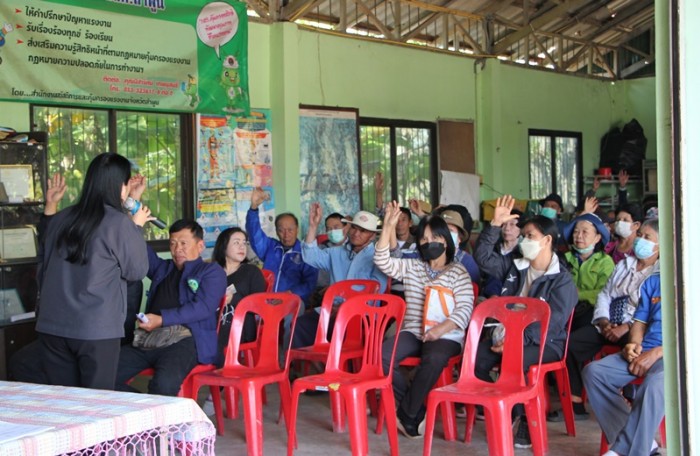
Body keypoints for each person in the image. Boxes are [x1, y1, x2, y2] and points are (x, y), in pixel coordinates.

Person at [36, 154, 150, 390]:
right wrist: (136, 226)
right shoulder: (119, 223)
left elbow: (43, 268)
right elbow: (136, 270)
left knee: (64, 401)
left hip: (52, 325)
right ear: (121, 186)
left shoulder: (60, 218)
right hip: (96, 328)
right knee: (96, 402)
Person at [473, 195, 578, 449]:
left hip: (546, 343)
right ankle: (505, 409)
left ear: (547, 240)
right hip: (507, 337)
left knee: (515, 360)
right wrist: (494, 225)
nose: (524, 241)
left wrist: (515, 341)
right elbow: (483, 258)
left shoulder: (561, 280)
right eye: (524, 236)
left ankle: (524, 419)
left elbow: (552, 323)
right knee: (475, 359)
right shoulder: (516, 267)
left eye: (530, 236)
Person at [376, 202, 473, 438]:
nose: (429, 242)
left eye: (435, 237)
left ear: (446, 241)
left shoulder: (458, 271)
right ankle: (414, 407)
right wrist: (387, 227)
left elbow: (465, 309)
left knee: (434, 358)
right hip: (413, 330)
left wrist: (440, 330)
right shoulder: (413, 267)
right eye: (423, 239)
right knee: (382, 356)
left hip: (445, 334)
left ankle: (407, 414)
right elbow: (382, 261)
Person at [552, 218, 660, 421]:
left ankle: (628, 401)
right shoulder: (624, 264)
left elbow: (648, 311)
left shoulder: (659, 274)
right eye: (640, 235)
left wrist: (625, 327)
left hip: (634, 329)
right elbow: (605, 294)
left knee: (632, 351)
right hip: (608, 322)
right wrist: (604, 321)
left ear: (659, 245)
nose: (641, 240)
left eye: (648, 237)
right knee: (571, 345)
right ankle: (576, 403)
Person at [115, 218, 226, 396]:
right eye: (173, 243)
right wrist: (136, 225)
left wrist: (162, 319)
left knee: (164, 385)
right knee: (102, 376)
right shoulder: (163, 268)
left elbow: (203, 307)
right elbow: (141, 250)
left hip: (187, 341)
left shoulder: (211, 272)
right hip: (150, 338)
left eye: (183, 243)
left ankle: (154, 408)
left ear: (200, 246)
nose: (177, 249)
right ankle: (144, 407)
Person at [583, 271, 664, 456]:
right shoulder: (654, 281)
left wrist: (658, 352)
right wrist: (633, 344)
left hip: (677, 355)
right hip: (645, 349)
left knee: (654, 384)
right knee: (594, 373)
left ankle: (625, 451)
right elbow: (639, 322)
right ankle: (644, 443)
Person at [293, 204, 387, 348]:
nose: (356, 233)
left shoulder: (379, 257)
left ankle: (337, 362)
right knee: (301, 325)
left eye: (363, 231)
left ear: (373, 235)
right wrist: (313, 226)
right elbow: (310, 256)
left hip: (362, 314)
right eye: (354, 227)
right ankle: (311, 362)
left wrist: (346, 307)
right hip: (332, 310)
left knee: (339, 332)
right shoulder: (336, 252)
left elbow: (376, 291)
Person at [245, 187, 318, 307]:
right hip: (266, 302)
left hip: (292, 303)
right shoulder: (271, 247)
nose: (286, 234)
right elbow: (254, 234)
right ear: (276, 231)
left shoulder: (305, 252)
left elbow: (310, 283)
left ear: (297, 229)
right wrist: (253, 208)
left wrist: (290, 294)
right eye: (281, 230)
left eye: (290, 230)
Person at [212, 227, 267, 366]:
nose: (242, 247)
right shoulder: (211, 272)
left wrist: (233, 299)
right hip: (212, 322)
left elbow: (260, 305)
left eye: (244, 243)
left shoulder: (251, 272)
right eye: (236, 242)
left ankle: (221, 371)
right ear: (223, 246)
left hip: (240, 326)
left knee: (216, 335)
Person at [562, 212, 615, 331]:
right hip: (565, 309)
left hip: (592, 312)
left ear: (597, 238)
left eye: (585, 232)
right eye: (576, 232)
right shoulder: (564, 258)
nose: (579, 236)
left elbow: (604, 292)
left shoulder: (605, 262)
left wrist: (577, 294)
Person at [481, 209, 522, 298]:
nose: (507, 228)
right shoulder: (491, 248)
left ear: (521, 229)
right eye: (504, 224)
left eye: (512, 224)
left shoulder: (522, 253)